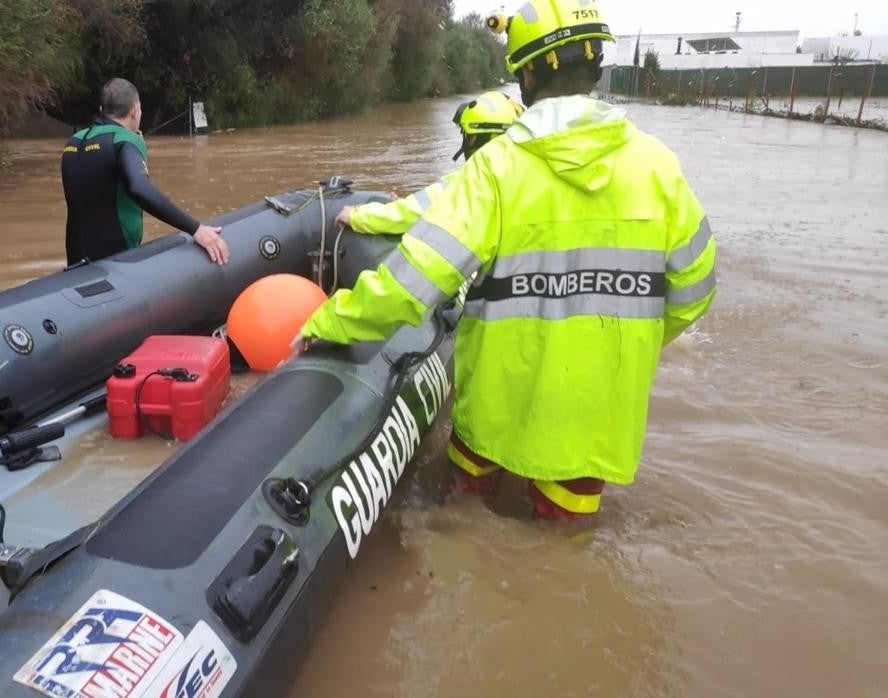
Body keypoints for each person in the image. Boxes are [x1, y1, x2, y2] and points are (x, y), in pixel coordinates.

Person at [299, 0, 716, 522]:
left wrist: (332, 320)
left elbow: (414, 282)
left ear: (528, 73)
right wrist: (622, 342)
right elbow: (696, 292)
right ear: (598, 66)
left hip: (497, 406)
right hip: (593, 417)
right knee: (563, 557)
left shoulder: (497, 168)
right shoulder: (660, 169)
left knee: (461, 523)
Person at [61, 78, 229, 266]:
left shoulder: (73, 143)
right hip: (116, 263)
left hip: (76, 265)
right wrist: (196, 229)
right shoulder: (125, 140)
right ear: (134, 110)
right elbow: (139, 187)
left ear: (102, 110)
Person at [334, 91, 523, 235]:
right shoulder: (530, 177)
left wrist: (357, 216)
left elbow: (414, 211)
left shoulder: (472, 182)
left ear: (479, 138)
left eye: (469, 137)